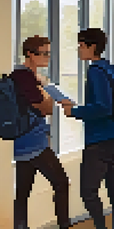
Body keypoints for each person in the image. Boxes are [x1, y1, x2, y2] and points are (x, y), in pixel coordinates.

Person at [61, 28, 114, 229]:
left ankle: (100, 226)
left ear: (92, 46)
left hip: (100, 141)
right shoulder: (109, 68)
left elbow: (103, 107)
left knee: (88, 192)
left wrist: (74, 111)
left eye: (81, 45)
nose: (79, 50)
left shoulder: (95, 71)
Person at [11, 36, 71, 229]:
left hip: (23, 145)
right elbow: (45, 108)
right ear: (30, 53)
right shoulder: (24, 77)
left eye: (48, 53)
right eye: (43, 53)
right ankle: (64, 226)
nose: (47, 57)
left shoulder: (26, 76)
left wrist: (44, 87)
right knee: (61, 183)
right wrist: (46, 93)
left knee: (22, 194)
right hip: (34, 144)